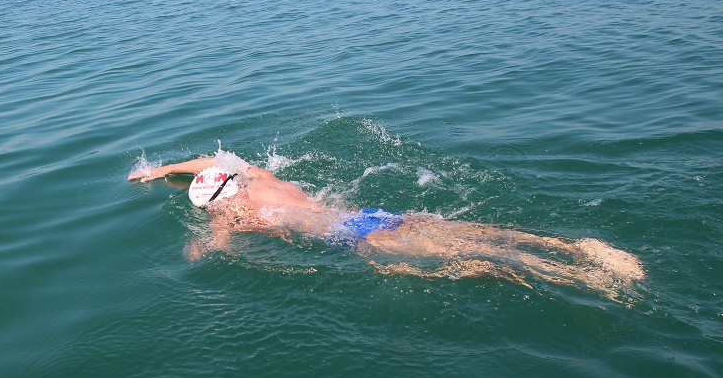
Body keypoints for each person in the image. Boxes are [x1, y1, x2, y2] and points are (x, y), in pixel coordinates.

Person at [128, 154, 645, 295]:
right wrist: (162, 170)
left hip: (358, 238)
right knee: (466, 232)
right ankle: (576, 247)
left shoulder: (236, 215)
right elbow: (200, 161)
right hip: (370, 215)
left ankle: (581, 279)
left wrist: (194, 253)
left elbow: (212, 243)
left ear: (216, 202)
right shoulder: (257, 178)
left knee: (460, 260)